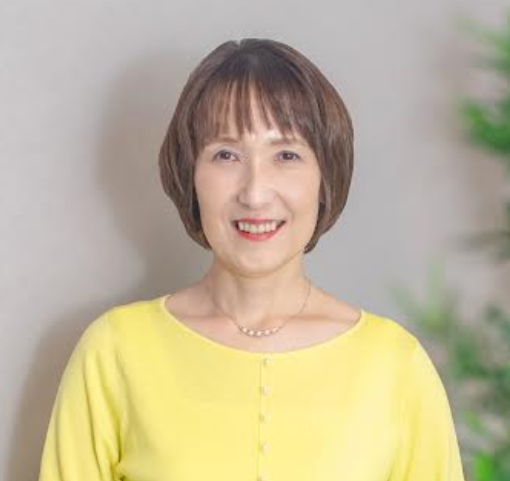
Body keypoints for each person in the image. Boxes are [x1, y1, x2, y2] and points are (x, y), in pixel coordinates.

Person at [37, 38, 466, 481]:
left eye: (287, 155)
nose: (255, 193)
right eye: (226, 155)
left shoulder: (394, 366)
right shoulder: (113, 352)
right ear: (189, 174)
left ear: (325, 178)